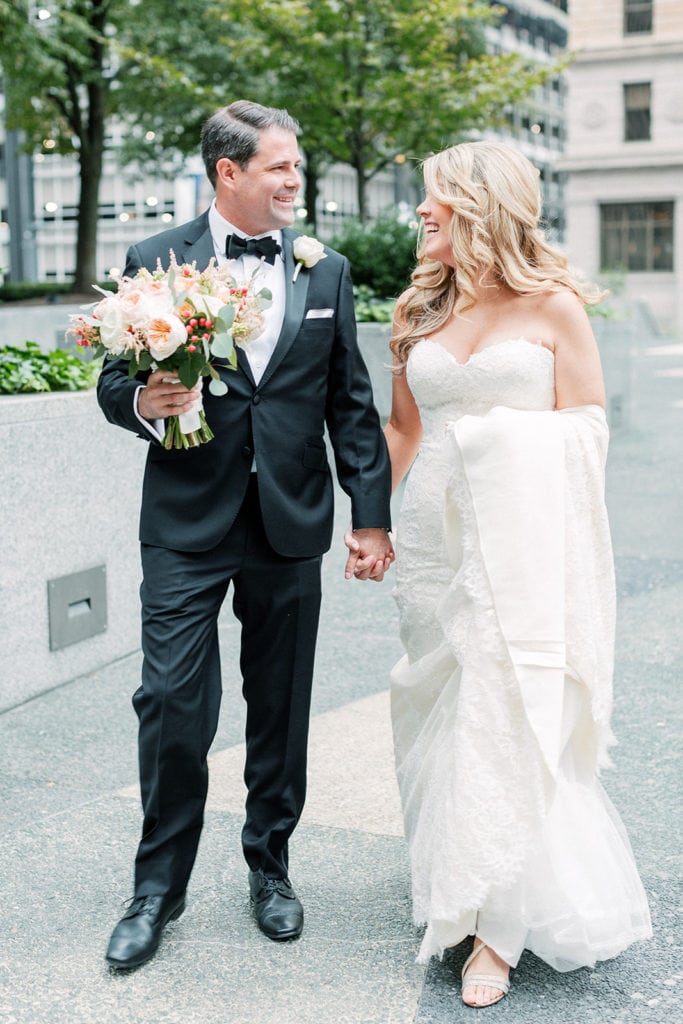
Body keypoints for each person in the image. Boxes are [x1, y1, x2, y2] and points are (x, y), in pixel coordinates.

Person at [97, 100, 393, 971]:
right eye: (280, 168)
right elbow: (117, 379)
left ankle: (271, 868)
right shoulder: (157, 259)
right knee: (172, 705)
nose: (294, 180)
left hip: (289, 521)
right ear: (228, 173)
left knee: (280, 709)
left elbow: (350, 404)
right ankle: (157, 888)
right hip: (185, 524)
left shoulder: (325, 269)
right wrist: (139, 405)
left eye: (295, 167)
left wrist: (369, 516)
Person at [380, 140, 652, 1007]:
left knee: (506, 713)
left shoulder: (554, 308)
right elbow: (401, 432)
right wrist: (359, 521)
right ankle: (454, 882)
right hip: (434, 546)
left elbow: (587, 430)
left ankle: (493, 935)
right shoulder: (416, 313)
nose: (420, 213)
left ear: (479, 208)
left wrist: (497, 440)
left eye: (435, 201)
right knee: (437, 707)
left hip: (520, 550)